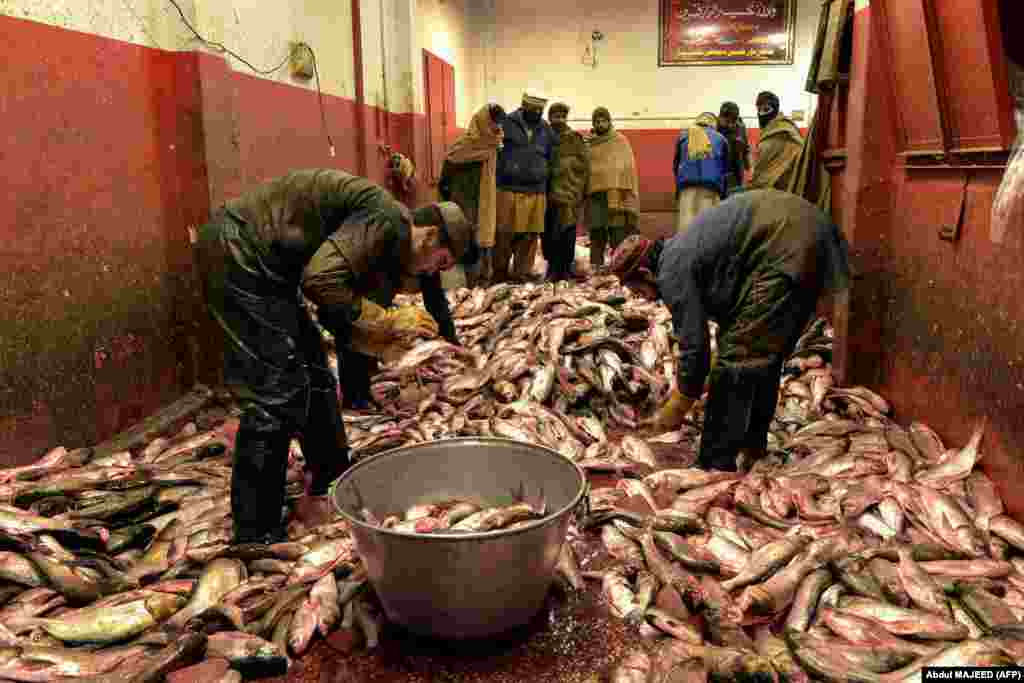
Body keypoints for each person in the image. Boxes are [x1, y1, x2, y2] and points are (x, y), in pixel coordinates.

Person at [195, 169, 475, 546]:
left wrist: (382, 344)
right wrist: (390, 319)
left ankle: (332, 477)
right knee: (279, 393)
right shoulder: (388, 221)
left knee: (316, 372)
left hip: (272, 271)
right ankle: (255, 531)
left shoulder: (389, 244)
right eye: (440, 263)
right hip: (240, 252)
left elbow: (334, 311)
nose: (431, 273)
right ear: (429, 236)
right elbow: (320, 280)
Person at [607, 189, 851, 473]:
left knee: (735, 363)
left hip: (786, 249)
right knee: (763, 357)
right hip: (806, 237)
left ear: (646, 275)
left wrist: (679, 404)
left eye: (635, 289)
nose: (639, 297)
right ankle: (753, 446)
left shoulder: (672, 271)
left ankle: (714, 464)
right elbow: (734, 323)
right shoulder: (681, 252)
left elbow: (694, 347)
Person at [438, 104, 507, 287]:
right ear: (483, 123)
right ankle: (467, 285)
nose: (497, 128)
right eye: (493, 123)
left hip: (486, 202)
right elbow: (446, 176)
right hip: (464, 200)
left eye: (498, 124)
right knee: (464, 241)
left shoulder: (495, 146)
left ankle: (482, 283)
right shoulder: (463, 146)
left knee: (484, 240)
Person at [494, 92, 556, 283]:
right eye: (533, 109)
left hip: (536, 191)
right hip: (508, 188)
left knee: (530, 235)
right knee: (505, 233)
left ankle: (522, 272)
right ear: (523, 106)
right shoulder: (507, 123)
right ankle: (500, 272)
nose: (537, 112)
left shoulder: (546, 129)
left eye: (540, 110)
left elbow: (551, 156)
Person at [586, 107, 640, 270]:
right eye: (597, 121)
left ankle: (618, 268)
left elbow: (628, 168)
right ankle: (596, 269)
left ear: (610, 122)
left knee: (618, 234)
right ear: (593, 123)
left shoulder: (620, 141)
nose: (600, 124)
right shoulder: (588, 144)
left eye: (603, 120)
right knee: (596, 234)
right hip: (596, 197)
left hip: (617, 197)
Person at [544, 102, 590, 281]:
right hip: (548, 196)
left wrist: (580, 190)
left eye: (561, 116)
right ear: (550, 117)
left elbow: (584, 166)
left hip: (570, 195)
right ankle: (552, 268)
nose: (558, 119)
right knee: (549, 234)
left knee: (567, 233)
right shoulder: (544, 137)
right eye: (555, 116)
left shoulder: (575, 139)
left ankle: (565, 269)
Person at [672, 112, 729, 234]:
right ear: (714, 124)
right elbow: (725, 169)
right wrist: (723, 193)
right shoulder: (721, 138)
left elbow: (676, 165)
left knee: (685, 220)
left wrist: (678, 187)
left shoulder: (684, 135)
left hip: (686, 184)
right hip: (711, 185)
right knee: (707, 225)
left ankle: (684, 250)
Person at [748, 91, 805, 192]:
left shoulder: (787, 132)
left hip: (788, 189)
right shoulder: (767, 134)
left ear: (776, 109)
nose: (761, 114)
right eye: (759, 110)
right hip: (769, 191)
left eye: (766, 109)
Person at [717, 102, 751, 194]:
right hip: (719, 175)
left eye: (733, 122)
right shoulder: (714, 128)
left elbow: (746, 149)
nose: (730, 125)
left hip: (736, 175)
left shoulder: (741, 127)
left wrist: (749, 168)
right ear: (720, 117)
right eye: (727, 121)